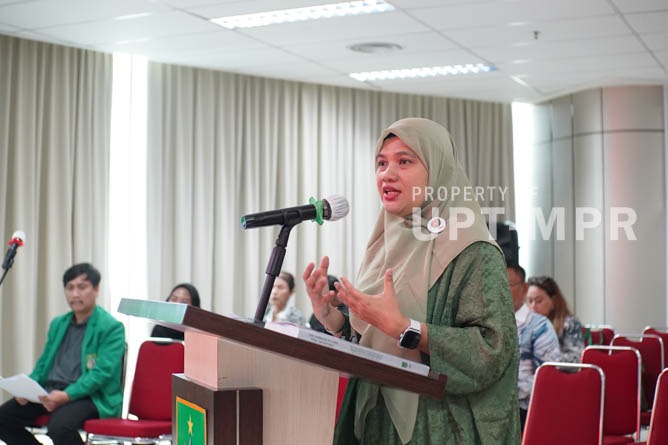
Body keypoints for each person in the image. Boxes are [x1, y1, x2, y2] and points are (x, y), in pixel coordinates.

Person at [303, 118, 520, 444]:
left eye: (404, 161)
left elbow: (492, 351)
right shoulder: (383, 246)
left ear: (437, 170)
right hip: (378, 421)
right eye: (381, 163)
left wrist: (407, 329)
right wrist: (332, 320)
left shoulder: (473, 250)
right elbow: (376, 342)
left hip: (439, 428)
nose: (387, 174)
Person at [0, 263, 125, 445]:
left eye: (82, 287)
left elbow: (101, 374)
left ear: (96, 289)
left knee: (60, 427)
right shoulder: (59, 323)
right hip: (50, 392)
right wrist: (26, 389)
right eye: (70, 288)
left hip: (90, 397)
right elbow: (43, 365)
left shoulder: (112, 327)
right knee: (3, 418)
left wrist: (67, 395)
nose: (75, 294)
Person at [507, 263, 560, 431]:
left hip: (523, 409)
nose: (501, 290)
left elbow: (547, 376)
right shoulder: (484, 324)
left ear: (524, 288)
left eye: (509, 284)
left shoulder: (539, 326)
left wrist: (503, 392)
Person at [526, 275, 584, 363]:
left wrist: (546, 356)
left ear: (553, 301)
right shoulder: (524, 324)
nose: (533, 306)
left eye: (538, 301)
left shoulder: (568, 323)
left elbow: (576, 359)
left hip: (555, 370)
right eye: (529, 301)